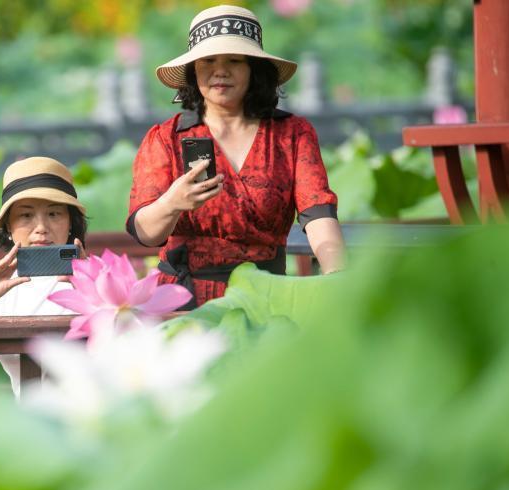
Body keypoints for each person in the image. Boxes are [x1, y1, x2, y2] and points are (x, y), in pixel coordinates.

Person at [127, 5, 346, 308]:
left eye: (234, 60)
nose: (221, 70)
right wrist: (172, 203)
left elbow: (318, 214)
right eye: (209, 61)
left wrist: (337, 275)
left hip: (266, 299)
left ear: (253, 69)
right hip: (183, 303)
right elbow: (145, 232)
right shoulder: (166, 139)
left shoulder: (292, 134)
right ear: (194, 70)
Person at [0, 156, 88, 396]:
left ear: (70, 225)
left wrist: (94, 288)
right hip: (27, 423)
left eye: (54, 214)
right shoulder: (2, 287)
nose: (41, 227)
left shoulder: (96, 277)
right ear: (9, 229)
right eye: (26, 216)